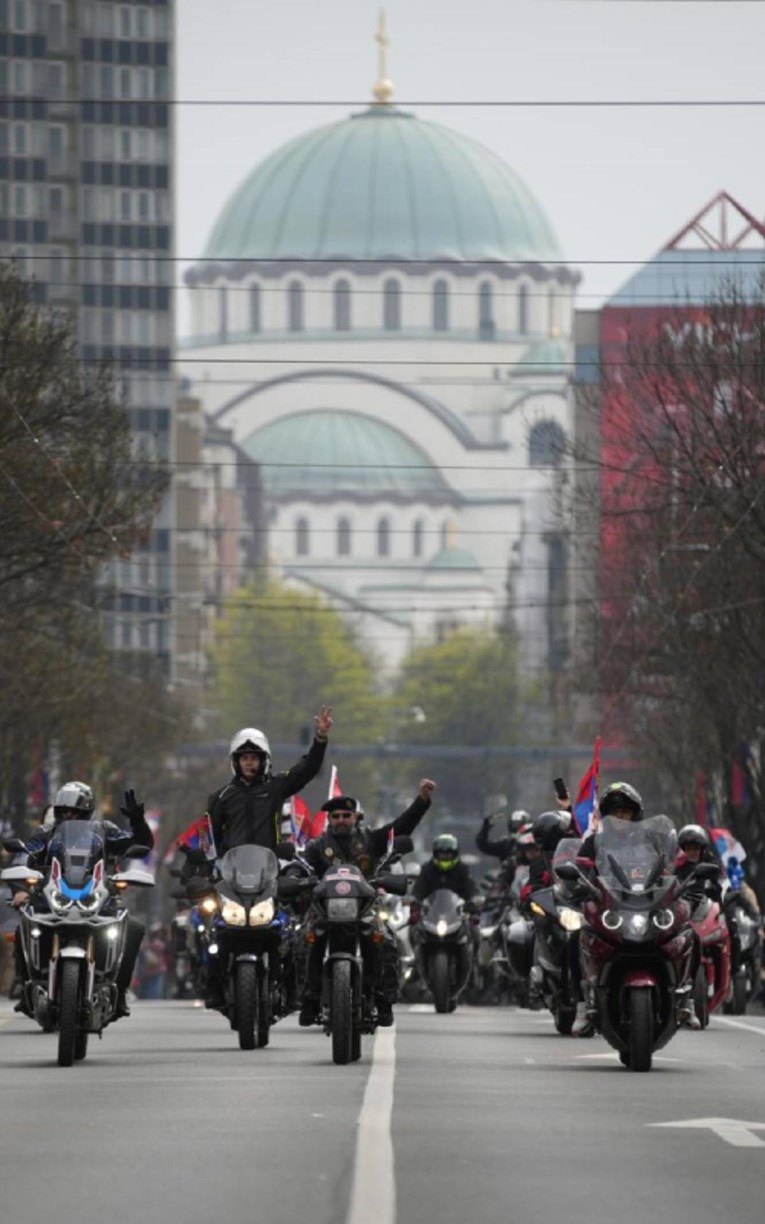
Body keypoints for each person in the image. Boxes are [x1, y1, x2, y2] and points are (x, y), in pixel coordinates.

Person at [299, 777, 436, 1028]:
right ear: (329, 820)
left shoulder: (371, 840)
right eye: (336, 816)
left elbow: (401, 828)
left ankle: (384, 999)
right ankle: (310, 998)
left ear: (356, 817)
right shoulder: (317, 847)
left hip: (365, 907)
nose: (341, 820)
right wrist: (295, 878)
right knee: (306, 940)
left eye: (346, 815)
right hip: (326, 910)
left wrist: (422, 801)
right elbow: (301, 868)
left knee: (386, 941)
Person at [11, 781, 153, 1018]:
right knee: (23, 924)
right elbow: (22, 858)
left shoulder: (105, 831)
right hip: (52, 898)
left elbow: (142, 844)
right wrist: (20, 888)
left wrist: (138, 821)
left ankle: (120, 993)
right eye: (64, 811)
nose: (69, 816)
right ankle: (26, 990)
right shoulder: (45, 834)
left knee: (134, 928)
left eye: (75, 812)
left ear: (87, 813)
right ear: (56, 811)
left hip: (98, 898)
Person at [206, 705, 333, 856]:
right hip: (232, 873)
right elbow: (212, 841)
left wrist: (320, 738)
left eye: (254, 758)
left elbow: (308, 768)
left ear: (263, 761)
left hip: (268, 871)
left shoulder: (275, 787)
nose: (249, 762)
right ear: (236, 761)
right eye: (244, 758)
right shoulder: (221, 797)